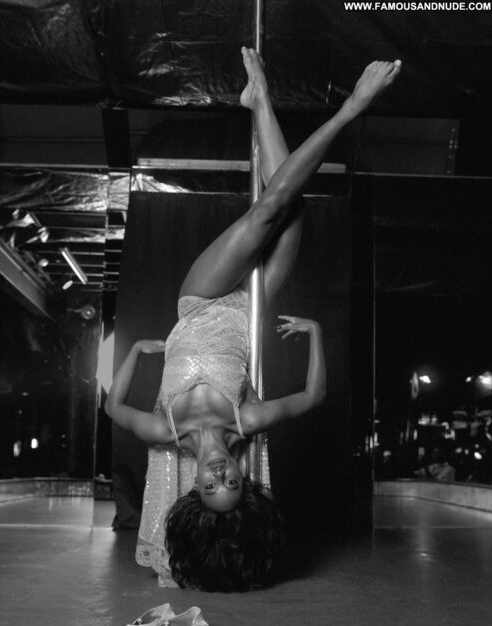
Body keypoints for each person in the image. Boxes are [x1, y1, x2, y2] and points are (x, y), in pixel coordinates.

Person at [106, 48, 401, 590]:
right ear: (243, 478)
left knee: (268, 210)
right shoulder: (247, 423)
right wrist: (316, 335)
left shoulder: (164, 430)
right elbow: (312, 398)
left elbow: (111, 407)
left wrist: (133, 354)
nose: (221, 475)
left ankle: (351, 108)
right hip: (250, 306)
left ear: (193, 486)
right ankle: (259, 101)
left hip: (202, 300)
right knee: (293, 207)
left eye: (210, 486)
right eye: (233, 484)